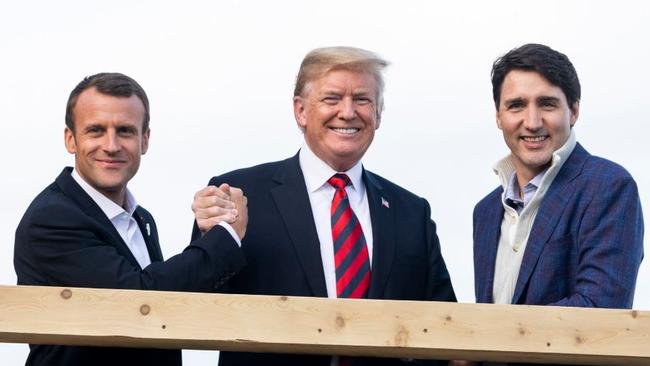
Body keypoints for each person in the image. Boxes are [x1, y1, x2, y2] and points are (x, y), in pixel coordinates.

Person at [192, 46, 456, 366]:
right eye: (332, 99)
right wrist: (218, 238)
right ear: (300, 111)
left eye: (362, 99)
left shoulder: (412, 213)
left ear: (379, 113)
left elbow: (444, 328)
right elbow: (199, 304)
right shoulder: (240, 195)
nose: (347, 112)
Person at [14, 72, 247, 366]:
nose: (111, 145)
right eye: (96, 130)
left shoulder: (141, 219)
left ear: (145, 140)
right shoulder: (51, 219)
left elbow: (169, 303)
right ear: (70, 139)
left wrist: (209, 229)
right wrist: (226, 235)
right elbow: (139, 301)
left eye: (125, 131)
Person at [473, 43, 644, 311]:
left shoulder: (608, 187)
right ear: (498, 116)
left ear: (573, 111)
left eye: (547, 104)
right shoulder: (484, 213)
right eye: (516, 105)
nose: (532, 122)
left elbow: (601, 309)